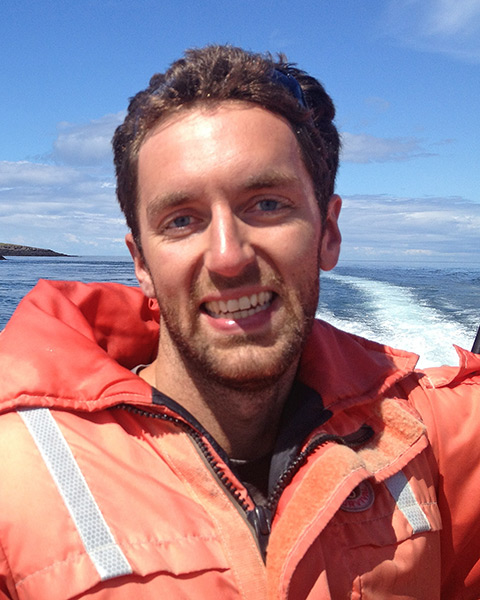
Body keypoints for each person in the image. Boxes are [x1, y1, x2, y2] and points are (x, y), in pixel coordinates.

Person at [0, 45, 479, 600]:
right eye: (182, 219)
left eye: (267, 204)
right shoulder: (18, 472)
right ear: (142, 264)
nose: (228, 257)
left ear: (328, 233)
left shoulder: (433, 436)